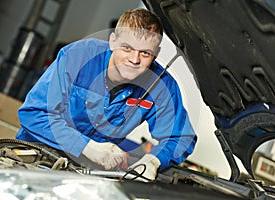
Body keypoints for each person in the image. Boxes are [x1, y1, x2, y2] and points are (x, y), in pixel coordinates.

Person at [16, 8, 197, 180]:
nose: (134, 60)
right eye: (127, 48)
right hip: (34, 154)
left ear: (156, 54)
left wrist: (153, 161)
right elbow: (34, 114)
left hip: (88, 174)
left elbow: (181, 138)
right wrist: (86, 146)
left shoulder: (160, 86)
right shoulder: (77, 57)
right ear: (113, 41)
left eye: (145, 53)